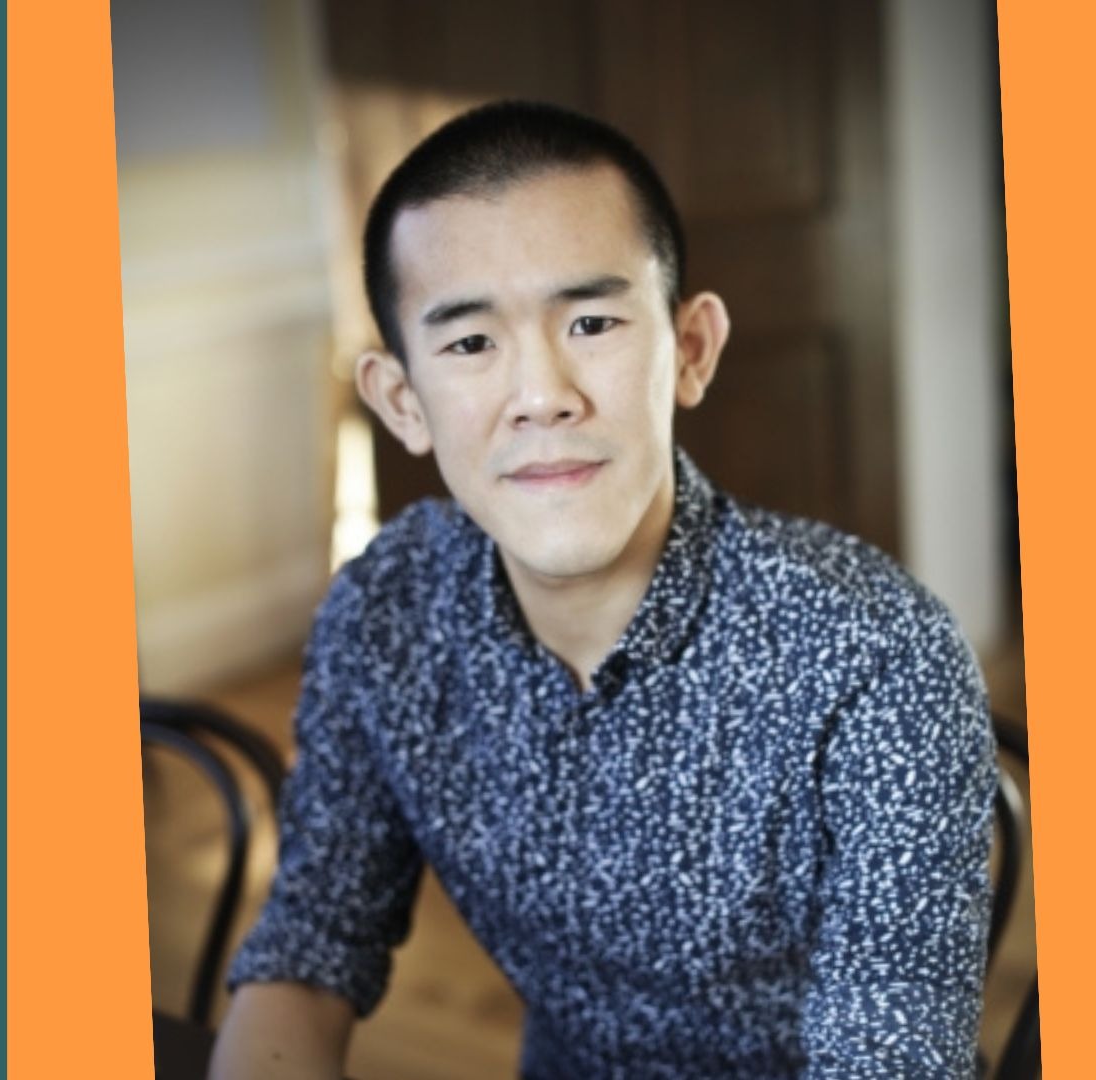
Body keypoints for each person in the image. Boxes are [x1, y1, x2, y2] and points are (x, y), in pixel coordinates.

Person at [208, 100, 996, 1080]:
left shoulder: (875, 656)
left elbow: (890, 1055)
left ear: (691, 350)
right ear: (402, 402)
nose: (543, 394)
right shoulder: (389, 612)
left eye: (591, 322)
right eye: (470, 343)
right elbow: (314, 937)